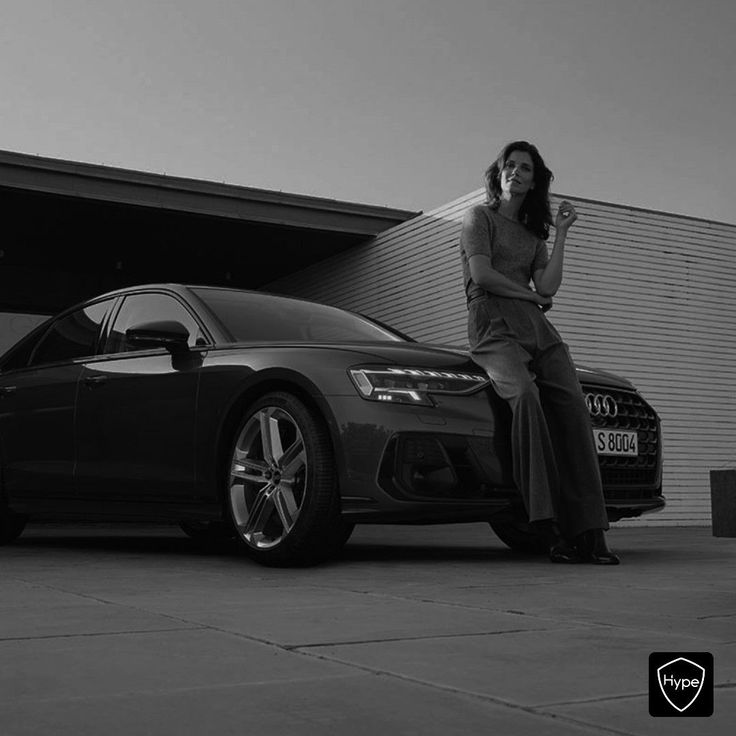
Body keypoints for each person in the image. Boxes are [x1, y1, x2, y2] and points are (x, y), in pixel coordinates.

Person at [459, 140, 619, 564]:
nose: (516, 172)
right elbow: (482, 274)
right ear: (498, 174)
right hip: (492, 324)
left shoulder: (532, 234)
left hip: (537, 328)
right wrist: (528, 297)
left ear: (534, 180)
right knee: (526, 400)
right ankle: (545, 525)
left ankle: (590, 530)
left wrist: (562, 233)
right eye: (509, 166)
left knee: (572, 407)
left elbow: (547, 287)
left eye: (525, 168)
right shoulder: (479, 218)